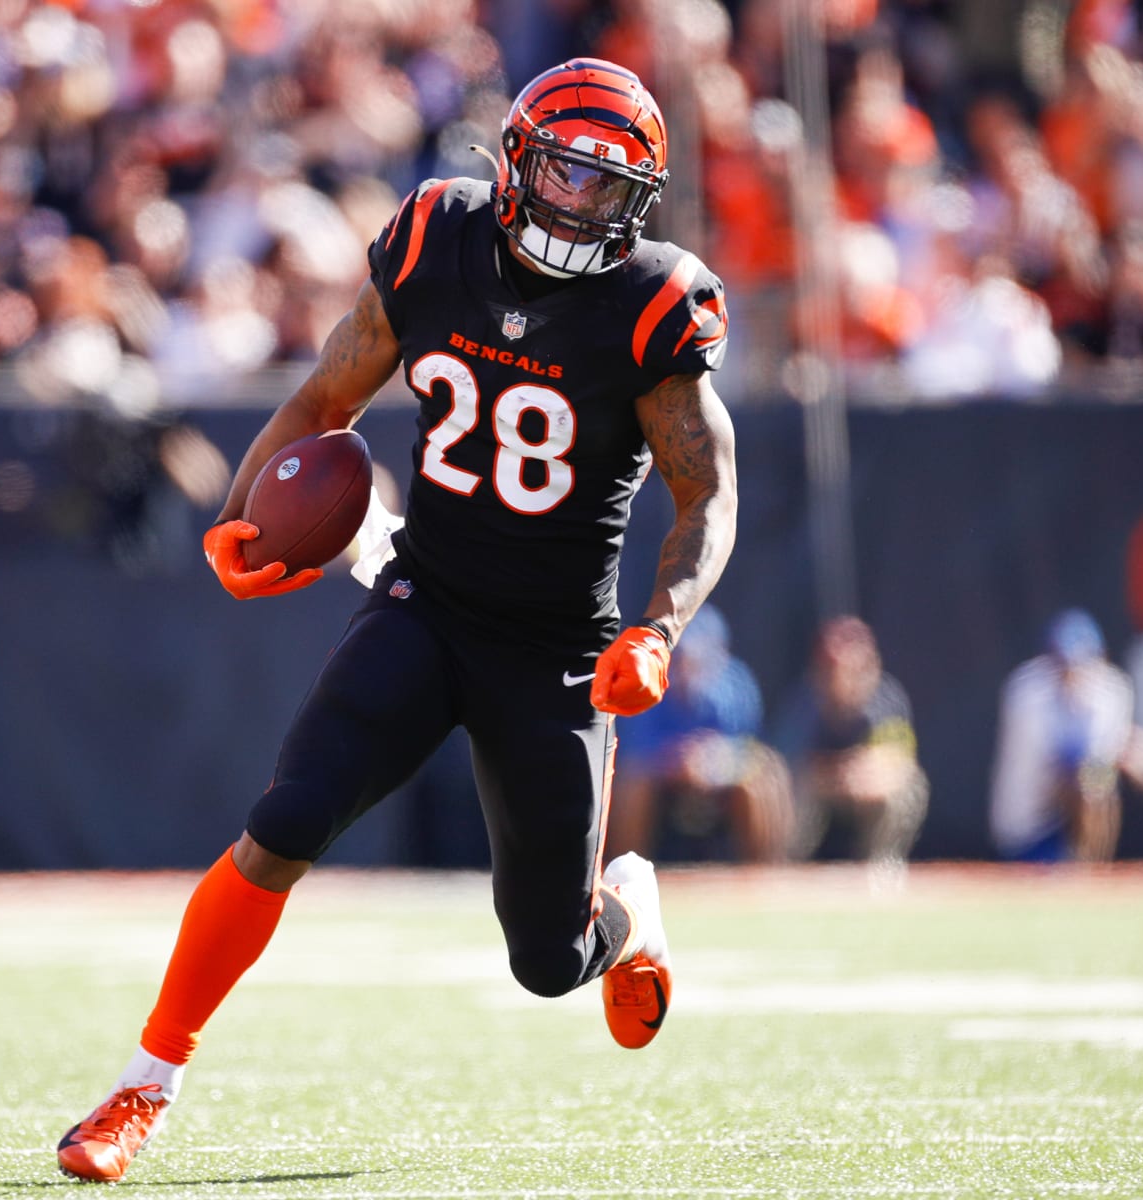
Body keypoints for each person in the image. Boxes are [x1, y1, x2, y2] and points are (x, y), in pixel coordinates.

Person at [56, 58, 737, 1183]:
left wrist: (657, 629)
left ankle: (624, 906)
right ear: (515, 163)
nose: (579, 203)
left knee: (549, 962)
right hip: (428, 601)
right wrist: (241, 518)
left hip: (558, 651)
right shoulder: (436, 239)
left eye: (607, 186)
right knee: (285, 822)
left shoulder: (653, 303)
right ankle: (144, 1083)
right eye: (563, 172)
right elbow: (326, 396)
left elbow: (706, 494)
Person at [608, 606, 795, 863]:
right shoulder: (645, 682)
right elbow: (635, 750)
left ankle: (766, 868)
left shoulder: (736, 683)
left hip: (722, 778)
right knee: (632, 785)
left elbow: (751, 746)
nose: (688, 668)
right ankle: (627, 868)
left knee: (766, 777)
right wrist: (674, 762)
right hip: (662, 781)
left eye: (699, 660)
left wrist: (715, 759)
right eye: (680, 658)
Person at [988, 609, 1143, 863]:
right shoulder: (1028, 694)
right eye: (1064, 665)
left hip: (1070, 823)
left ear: (1101, 658)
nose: (1073, 675)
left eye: (1083, 664)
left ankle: (1091, 872)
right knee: (1089, 782)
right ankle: (1080, 871)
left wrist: (1128, 748)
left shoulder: (1112, 691)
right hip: (1026, 834)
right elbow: (1066, 771)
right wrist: (1124, 752)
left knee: (1097, 786)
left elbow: (1100, 765)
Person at [774, 616, 928, 867]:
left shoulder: (887, 698)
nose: (844, 678)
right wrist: (834, 773)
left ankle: (880, 870)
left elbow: (900, 765)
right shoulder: (805, 703)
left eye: (857, 668)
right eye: (831, 668)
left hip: (869, 789)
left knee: (909, 790)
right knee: (792, 787)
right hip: (820, 789)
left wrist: (863, 775)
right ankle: (787, 867)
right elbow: (787, 764)